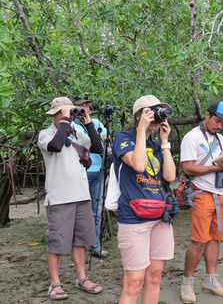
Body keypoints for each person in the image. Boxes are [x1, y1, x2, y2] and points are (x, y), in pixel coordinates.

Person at [38, 97, 104, 300]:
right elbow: (56, 146)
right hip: (60, 198)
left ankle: (82, 278)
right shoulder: (46, 134)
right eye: (62, 113)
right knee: (57, 242)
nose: (65, 116)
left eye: (67, 112)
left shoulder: (76, 133)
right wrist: (66, 121)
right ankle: (54, 283)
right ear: (55, 115)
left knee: (80, 241)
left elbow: (97, 148)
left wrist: (88, 121)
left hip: (81, 196)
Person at [112, 95, 176, 304]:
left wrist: (165, 143)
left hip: (159, 217)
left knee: (155, 276)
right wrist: (140, 130)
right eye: (152, 111)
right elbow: (139, 165)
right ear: (139, 115)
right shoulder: (123, 137)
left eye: (159, 111)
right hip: (133, 217)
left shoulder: (156, 145)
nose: (157, 116)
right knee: (134, 281)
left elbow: (169, 176)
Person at [179, 101, 223, 303]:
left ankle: (211, 280)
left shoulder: (220, 139)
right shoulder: (191, 137)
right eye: (217, 121)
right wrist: (215, 168)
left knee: (215, 238)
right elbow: (187, 168)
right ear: (207, 115)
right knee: (198, 240)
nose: (220, 126)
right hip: (201, 194)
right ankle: (187, 282)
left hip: (221, 194)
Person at [71, 95, 109, 259]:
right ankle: (76, 247)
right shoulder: (70, 126)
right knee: (77, 211)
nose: (83, 109)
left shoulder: (98, 124)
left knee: (96, 212)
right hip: (79, 174)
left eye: (86, 105)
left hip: (98, 172)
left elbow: (104, 147)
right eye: (80, 106)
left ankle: (95, 247)